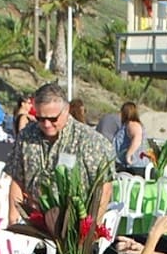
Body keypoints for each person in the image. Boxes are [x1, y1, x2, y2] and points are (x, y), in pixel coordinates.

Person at [8, 82, 114, 228]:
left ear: (66, 110)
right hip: (36, 224)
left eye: (52, 119)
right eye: (40, 118)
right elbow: (17, 180)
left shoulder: (90, 141)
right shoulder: (26, 136)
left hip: (74, 227)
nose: (46, 124)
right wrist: (13, 221)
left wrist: (91, 231)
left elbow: (104, 188)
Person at [114, 101, 147, 174]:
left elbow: (137, 138)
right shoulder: (129, 124)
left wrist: (128, 155)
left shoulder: (132, 124)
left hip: (133, 165)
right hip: (129, 164)